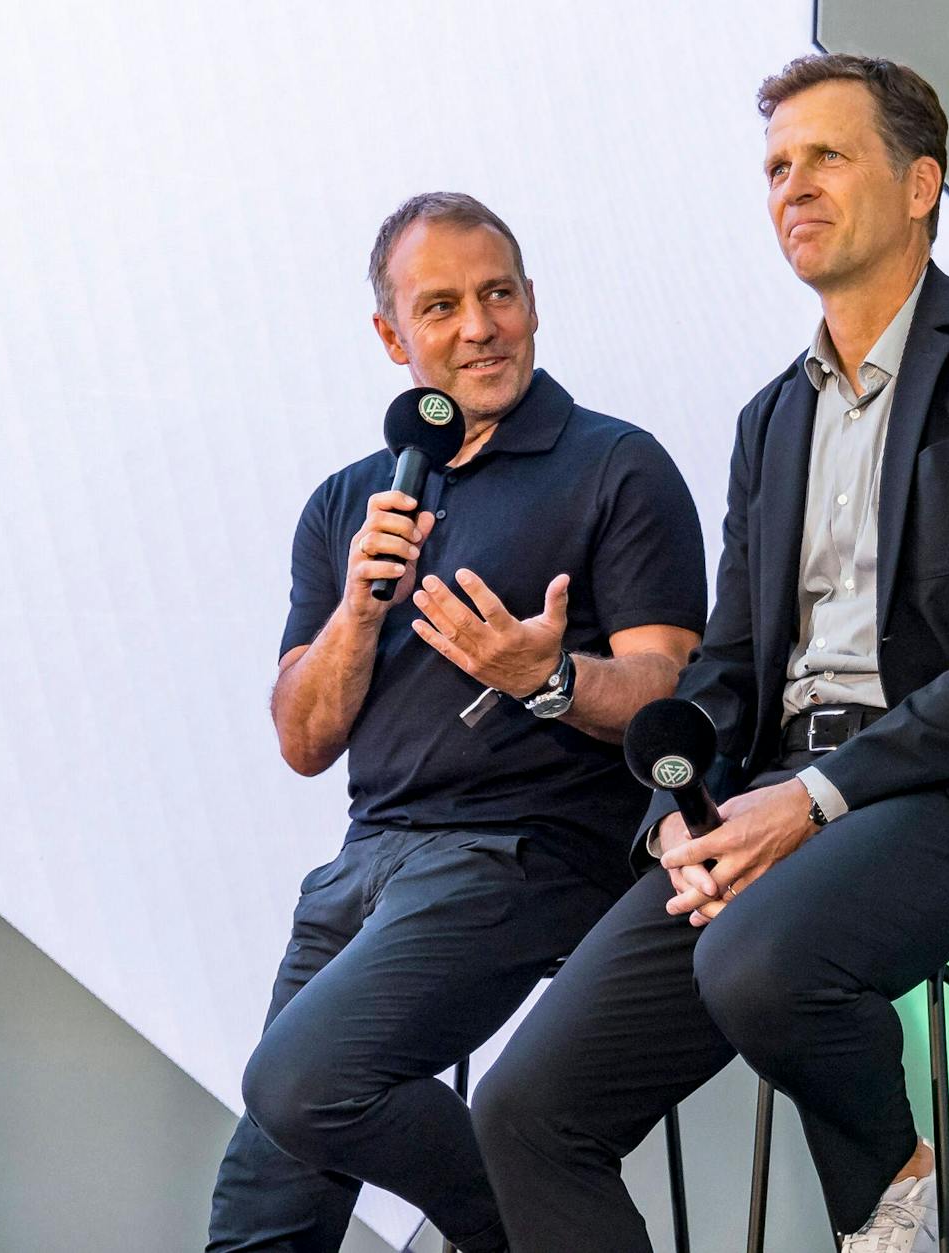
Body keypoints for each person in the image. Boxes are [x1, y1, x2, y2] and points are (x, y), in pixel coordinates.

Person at [474, 55, 949, 1253]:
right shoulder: (769, 418)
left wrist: (812, 801)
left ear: (919, 182)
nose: (793, 186)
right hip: (773, 800)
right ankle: (902, 1185)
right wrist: (679, 806)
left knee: (763, 962)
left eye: (826, 156)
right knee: (522, 1110)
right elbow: (724, 668)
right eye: (776, 166)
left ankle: (901, 1195)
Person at [207, 191, 706, 1253]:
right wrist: (356, 608)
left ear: (531, 303)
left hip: (527, 852)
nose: (477, 326)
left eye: (497, 295)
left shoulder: (616, 464)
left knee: (304, 1079)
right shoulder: (349, 504)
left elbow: (671, 686)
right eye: (440, 306)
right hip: (364, 864)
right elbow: (301, 740)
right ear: (393, 337)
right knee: (261, 1217)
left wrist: (548, 675)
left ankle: (550, 1219)